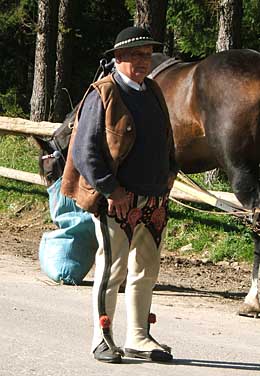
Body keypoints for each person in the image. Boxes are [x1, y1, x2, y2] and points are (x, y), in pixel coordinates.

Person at [61, 26, 178, 364]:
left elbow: (167, 140)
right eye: (135, 55)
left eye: (147, 55)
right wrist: (112, 189)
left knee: (146, 271)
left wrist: (168, 177)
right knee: (112, 270)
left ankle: (138, 336)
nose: (143, 61)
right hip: (117, 202)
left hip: (154, 202)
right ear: (118, 57)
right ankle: (102, 336)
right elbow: (84, 152)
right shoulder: (104, 94)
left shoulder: (152, 90)